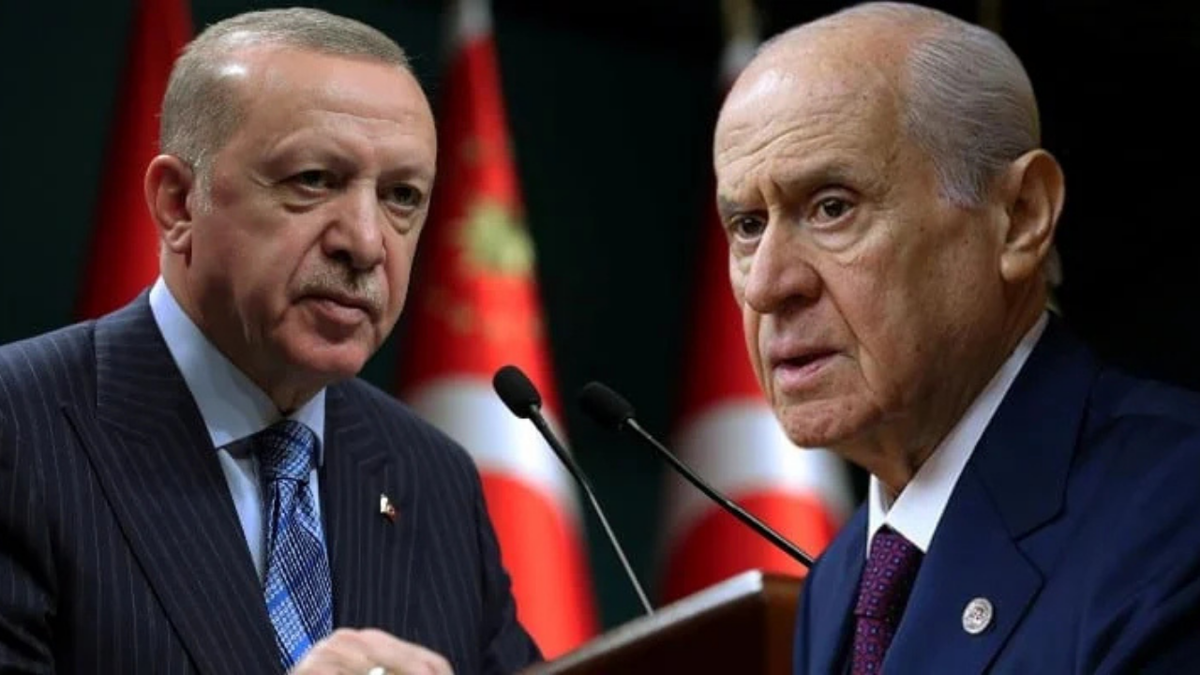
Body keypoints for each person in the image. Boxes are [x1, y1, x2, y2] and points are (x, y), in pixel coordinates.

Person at [0, 8, 541, 675]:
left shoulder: (433, 476)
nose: (365, 242)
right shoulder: (18, 430)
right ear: (178, 203)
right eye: (313, 180)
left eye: (402, 195)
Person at [713, 2, 1200, 673]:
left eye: (832, 207)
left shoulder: (1176, 508)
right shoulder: (837, 584)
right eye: (746, 226)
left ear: (1020, 216)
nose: (768, 285)